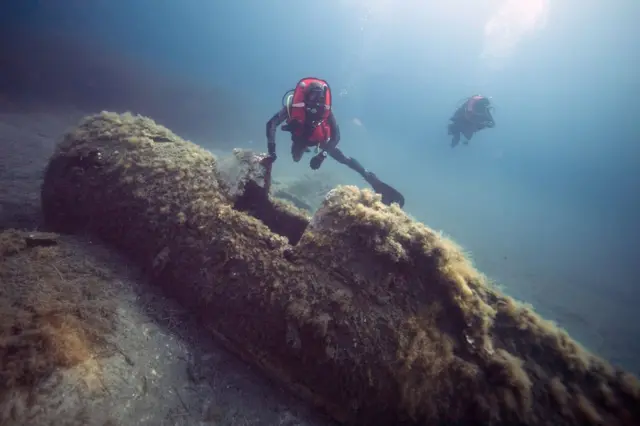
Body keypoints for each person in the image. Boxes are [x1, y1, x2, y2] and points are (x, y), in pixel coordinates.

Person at [263, 76, 404, 207]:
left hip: (319, 140)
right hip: (300, 137)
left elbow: (336, 137)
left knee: (342, 158)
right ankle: (300, 149)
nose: (316, 103)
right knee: (296, 157)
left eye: (320, 99)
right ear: (306, 96)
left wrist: (321, 156)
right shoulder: (294, 106)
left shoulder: (326, 111)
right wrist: (272, 149)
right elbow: (272, 124)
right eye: (313, 98)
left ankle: (371, 178)